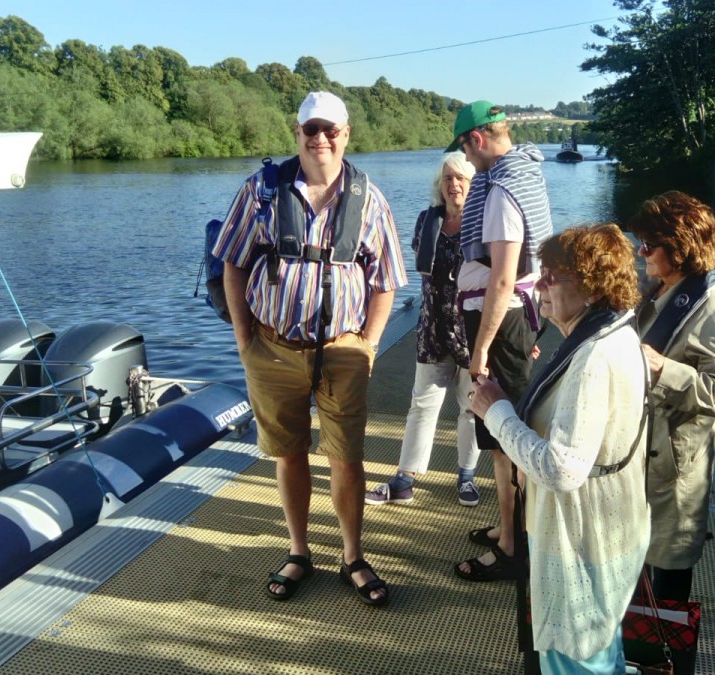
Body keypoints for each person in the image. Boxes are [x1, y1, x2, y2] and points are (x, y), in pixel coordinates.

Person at [211, 91, 408, 606]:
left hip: (342, 350)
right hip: (272, 348)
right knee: (289, 453)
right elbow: (232, 263)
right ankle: (299, 552)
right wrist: (243, 338)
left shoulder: (370, 199)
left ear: (346, 135)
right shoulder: (260, 192)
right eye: (311, 130)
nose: (321, 139)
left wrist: (369, 344)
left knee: (347, 457)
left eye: (331, 130)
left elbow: (385, 279)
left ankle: (352, 557)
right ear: (296, 134)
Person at [468, 223, 650, 674]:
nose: (539, 283)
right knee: (600, 654)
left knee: (577, 660)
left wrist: (498, 413)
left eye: (552, 275)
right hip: (607, 534)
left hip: (583, 544)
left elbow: (564, 469)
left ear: (591, 286)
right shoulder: (611, 334)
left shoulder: (592, 357)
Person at [447, 101, 553, 581]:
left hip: (502, 321)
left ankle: (514, 548)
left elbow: (504, 279)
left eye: (466, 151)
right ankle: (512, 526)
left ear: (477, 139)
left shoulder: (502, 189)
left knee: (504, 437)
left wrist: (481, 349)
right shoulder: (526, 173)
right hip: (520, 320)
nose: (467, 163)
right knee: (505, 434)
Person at [626, 191, 715, 602]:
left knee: (668, 582)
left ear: (681, 247)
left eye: (650, 244)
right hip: (635, 458)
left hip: (674, 468)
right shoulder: (656, 289)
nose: (642, 252)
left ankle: (667, 663)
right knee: (630, 570)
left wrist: (662, 368)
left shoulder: (714, 305)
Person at [364, 152, 482, 508]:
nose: (454, 185)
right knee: (421, 405)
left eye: (461, 178)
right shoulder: (424, 221)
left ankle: (466, 475)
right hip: (432, 326)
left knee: (471, 408)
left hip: (472, 329)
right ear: (439, 185)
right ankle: (405, 478)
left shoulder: (483, 223)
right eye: (448, 179)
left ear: (472, 183)